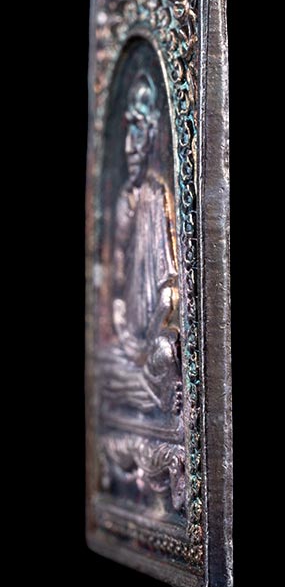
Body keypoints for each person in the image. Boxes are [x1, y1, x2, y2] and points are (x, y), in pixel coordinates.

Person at [98, 71, 182, 414]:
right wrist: (121, 326)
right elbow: (116, 278)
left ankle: (153, 393)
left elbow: (168, 297)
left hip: (150, 342)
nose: (130, 147)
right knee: (104, 364)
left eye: (138, 131)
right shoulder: (123, 200)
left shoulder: (156, 195)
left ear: (150, 136)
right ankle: (152, 395)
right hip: (128, 346)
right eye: (127, 132)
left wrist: (144, 345)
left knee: (167, 352)